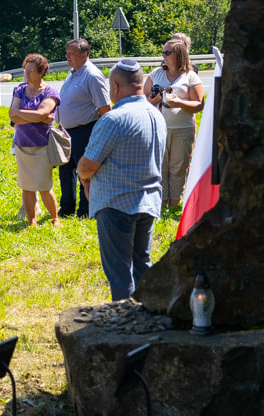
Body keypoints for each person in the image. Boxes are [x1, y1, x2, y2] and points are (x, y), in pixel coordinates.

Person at [77, 59, 167, 301]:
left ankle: (125, 324)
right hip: (147, 202)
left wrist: (85, 180)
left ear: (115, 87)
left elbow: (88, 164)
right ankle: (146, 315)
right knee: (141, 265)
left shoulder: (114, 119)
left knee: (119, 273)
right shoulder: (156, 115)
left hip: (116, 203)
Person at [143, 38, 204, 207]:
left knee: (178, 168)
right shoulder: (156, 73)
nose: (164, 55)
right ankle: (160, 204)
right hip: (158, 128)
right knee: (159, 167)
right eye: (163, 52)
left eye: (167, 52)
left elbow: (199, 104)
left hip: (182, 128)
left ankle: (174, 205)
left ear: (179, 55)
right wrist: (152, 100)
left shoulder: (190, 76)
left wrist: (179, 103)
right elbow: (144, 97)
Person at [57, 39, 111, 218]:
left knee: (84, 172)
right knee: (66, 170)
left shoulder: (92, 76)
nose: (67, 57)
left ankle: (85, 210)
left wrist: (100, 135)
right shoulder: (73, 73)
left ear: (84, 55)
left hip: (85, 131)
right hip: (67, 132)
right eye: (67, 53)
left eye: (71, 54)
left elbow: (105, 109)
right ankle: (67, 208)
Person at [9, 54, 62, 227]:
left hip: (42, 145)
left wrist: (25, 114)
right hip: (22, 144)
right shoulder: (20, 90)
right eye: (26, 70)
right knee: (26, 186)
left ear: (42, 72)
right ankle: (32, 221)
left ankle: (55, 218)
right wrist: (38, 117)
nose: (27, 73)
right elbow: (12, 116)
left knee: (44, 186)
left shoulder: (50, 92)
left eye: (31, 70)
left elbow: (41, 113)